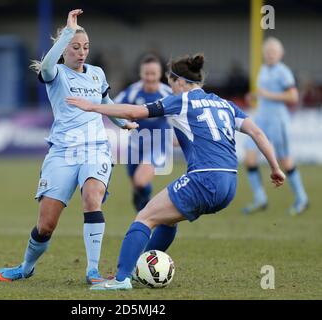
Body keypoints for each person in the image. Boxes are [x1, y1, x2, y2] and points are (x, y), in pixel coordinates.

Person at [66, 53, 286, 290]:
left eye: (171, 83)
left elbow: (134, 112)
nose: (170, 89)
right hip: (230, 183)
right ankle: (141, 266)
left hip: (204, 178)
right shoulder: (225, 104)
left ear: (179, 81)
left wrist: (92, 107)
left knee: (145, 216)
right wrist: (275, 168)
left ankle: (121, 279)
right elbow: (258, 133)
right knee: (167, 221)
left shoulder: (182, 100)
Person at [0, 9, 137, 284]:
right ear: (64, 49)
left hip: (96, 148)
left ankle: (92, 270)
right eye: (75, 47)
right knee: (46, 225)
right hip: (62, 152)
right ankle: (25, 267)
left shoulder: (96, 74)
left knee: (92, 198)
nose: (82, 52)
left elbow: (106, 104)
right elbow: (45, 65)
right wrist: (68, 31)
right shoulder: (55, 72)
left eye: (86, 48)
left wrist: (123, 124)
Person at [243, 37, 308, 215]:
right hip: (261, 120)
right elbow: (264, 93)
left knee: (285, 161)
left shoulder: (283, 72)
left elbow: (293, 97)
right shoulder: (263, 69)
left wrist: (268, 94)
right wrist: (256, 96)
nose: (270, 55)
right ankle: (260, 198)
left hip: (278, 121)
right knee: (249, 157)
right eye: (267, 52)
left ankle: (302, 198)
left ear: (281, 54)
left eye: (273, 52)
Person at [114, 54, 172, 213]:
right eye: (147, 73)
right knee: (138, 188)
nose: (150, 77)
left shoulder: (168, 94)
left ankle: (150, 212)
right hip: (135, 146)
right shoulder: (132, 92)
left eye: (153, 73)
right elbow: (113, 108)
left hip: (158, 146)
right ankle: (143, 218)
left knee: (140, 181)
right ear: (141, 74)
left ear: (160, 74)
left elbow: (181, 115)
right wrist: (123, 122)